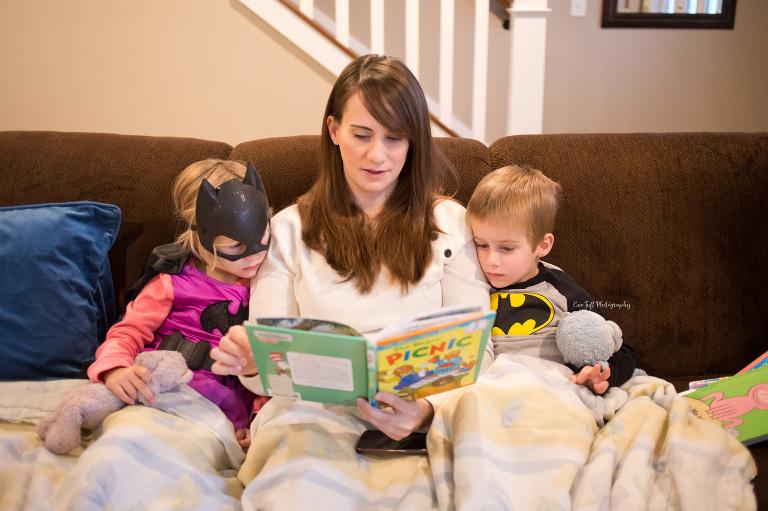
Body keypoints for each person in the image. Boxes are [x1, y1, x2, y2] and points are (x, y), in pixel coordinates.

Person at [210, 54, 490, 441]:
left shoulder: (451, 223)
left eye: (394, 138)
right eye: (362, 135)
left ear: (413, 141)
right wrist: (251, 364)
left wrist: (427, 411)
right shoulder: (289, 229)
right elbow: (271, 369)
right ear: (334, 129)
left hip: (424, 413)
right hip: (314, 415)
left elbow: (478, 351)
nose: (377, 155)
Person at [87, 158, 271, 450]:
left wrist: (260, 417)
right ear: (198, 234)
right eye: (235, 246)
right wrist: (115, 369)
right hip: (161, 392)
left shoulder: (270, 288)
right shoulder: (171, 283)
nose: (254, 255)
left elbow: (276, 361)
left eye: (262, 236)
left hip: (224, 415)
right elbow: (128, 332)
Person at [465, 164, 636, 394]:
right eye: (481, 244)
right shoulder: (471, 283)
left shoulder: (560, 289)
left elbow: (619, 347)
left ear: (542, 245)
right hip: (491, 391)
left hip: (552, 389)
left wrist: (602, 376)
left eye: (506, 248)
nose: (491, 260)